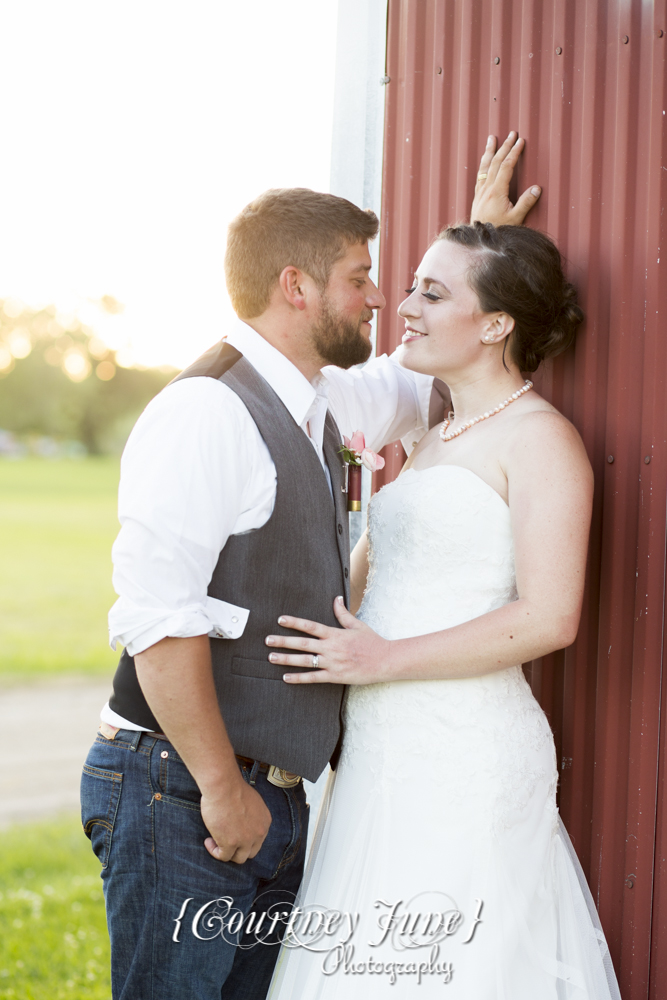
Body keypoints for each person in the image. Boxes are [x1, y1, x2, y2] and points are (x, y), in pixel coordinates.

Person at [79, 135, 540, 1000]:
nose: (378, 300)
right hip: (181, 794)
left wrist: (481, 244)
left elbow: (418, 369)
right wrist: (221, 790)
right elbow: (157, 619)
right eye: (359, 279)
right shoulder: (203, 412)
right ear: (295, 286)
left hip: (274, 800)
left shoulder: (319, 396)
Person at [265, 223, 622, 998]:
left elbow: (549, 617)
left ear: (496, 325)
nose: (404, 308)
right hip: (380, 748)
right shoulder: (431, 436)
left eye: (432, 293)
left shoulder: (540, 441)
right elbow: (378, 572)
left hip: (465, 756)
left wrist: (382, 658)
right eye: (410, 288)